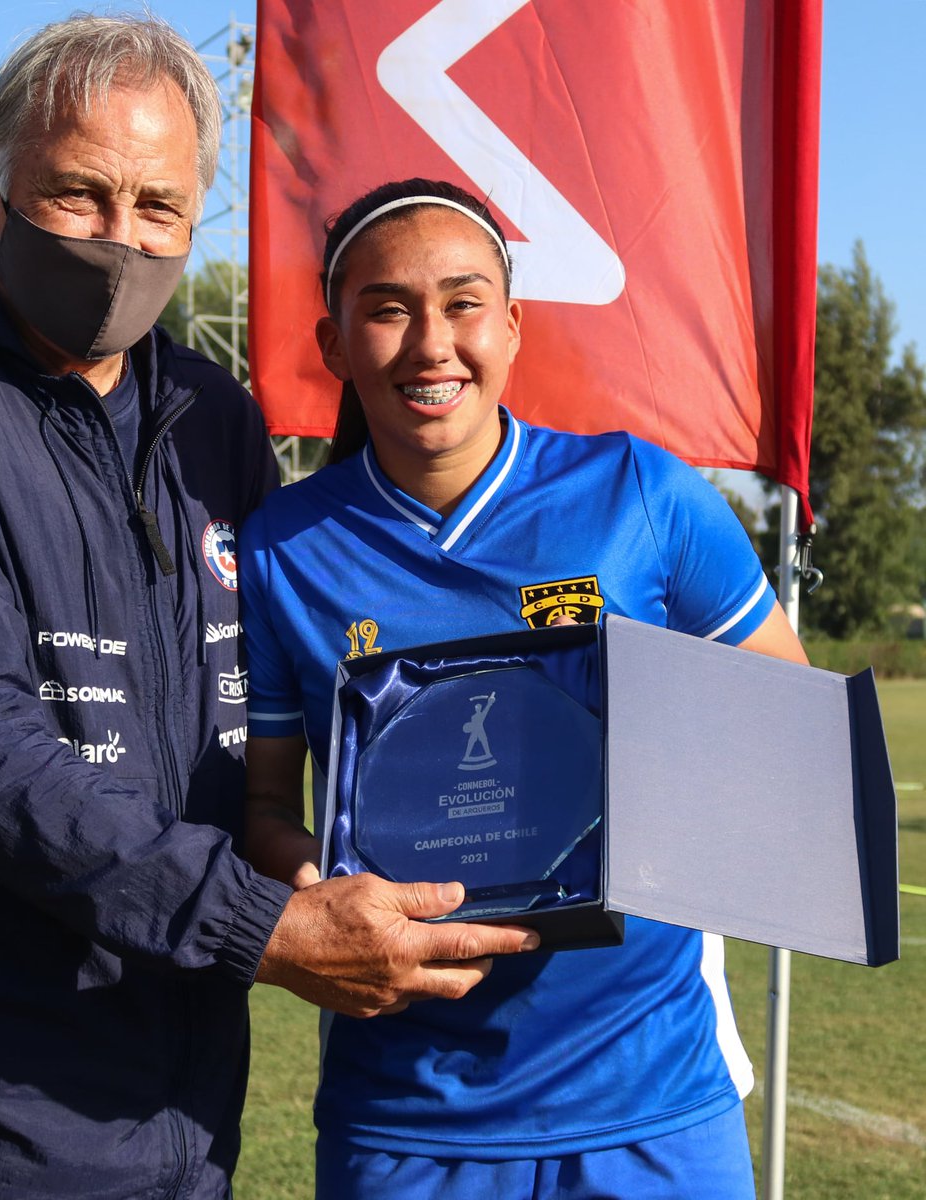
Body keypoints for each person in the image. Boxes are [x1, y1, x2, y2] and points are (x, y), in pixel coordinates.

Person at [0, 25, 535, 1200]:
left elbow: (308, 672)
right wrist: (265, 928)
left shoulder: (213, 420)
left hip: (174, 1124)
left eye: (159, 207)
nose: (123, 241)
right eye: (80, 194)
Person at [240, 178, 809, 1200]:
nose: (430, 344)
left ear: (512, 327)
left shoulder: (643, 491)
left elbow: (789, 740)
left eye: (463, 304)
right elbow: (267, 809)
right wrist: (330, 894)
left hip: (655, 1103)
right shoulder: (283, 547)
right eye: (387, 308)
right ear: (331, 343)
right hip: (409, 1120)